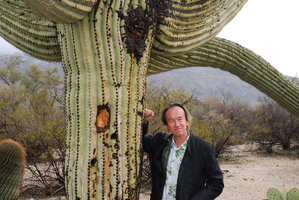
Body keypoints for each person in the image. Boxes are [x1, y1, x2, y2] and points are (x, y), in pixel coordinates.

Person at [142, 104, 224, 200]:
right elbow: (138, 142)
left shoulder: (203, 148)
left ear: (187, 121)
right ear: (167, 126)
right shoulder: (159, 143)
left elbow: (216, 183)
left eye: (180, 119)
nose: (176, 124)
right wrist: (144, 122)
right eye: (171, 121)